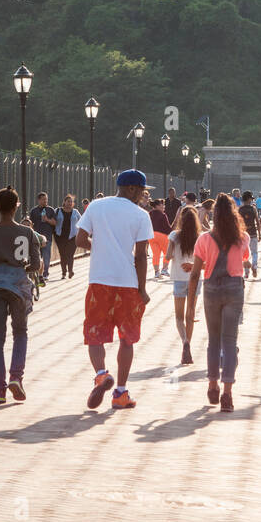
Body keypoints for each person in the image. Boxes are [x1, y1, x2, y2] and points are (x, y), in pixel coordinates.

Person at [75, 169, 152, 411]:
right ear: (131, 189)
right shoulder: (140, 215)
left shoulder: (96, 207)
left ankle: (100, 374)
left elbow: (79, 239)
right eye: (141, 190)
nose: (143, 194)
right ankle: (120, 392)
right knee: (127, 339)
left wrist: (98, 249)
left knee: (94, 333)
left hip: (99, 281)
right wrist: (143, 288)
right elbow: (140, 256)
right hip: (127, 284)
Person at [0, 186, 39, 404]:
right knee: (20, 332)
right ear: (16, 206)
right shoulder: (27, 232)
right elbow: (36, 264)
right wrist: (21, 267)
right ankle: (16, 377)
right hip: (19, 287)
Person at [189, 193, 249, 412]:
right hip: (234, 288)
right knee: (230, 342)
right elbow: (244, 258)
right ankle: (227, 394)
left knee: (213, 340)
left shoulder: (204, 239)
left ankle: (212, 384)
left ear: (214, 214)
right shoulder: (242, 237)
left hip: (212, 288)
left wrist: (190, 301)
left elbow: (195, 272)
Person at [165, 204, 202, 364]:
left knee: (179, 317)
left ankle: (184, 342)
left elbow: (167, 256)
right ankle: (189, 345)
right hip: (195, 278)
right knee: (190, 314)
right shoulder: (201, 236)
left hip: (179, 277)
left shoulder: (174, 235)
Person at [29, 193, 57, 282]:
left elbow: (55, 222)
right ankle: (37, 273)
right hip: (36, 238)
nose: (45, 201)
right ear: (39, 200)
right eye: (43, 199)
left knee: (46, 256)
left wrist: (47, 220)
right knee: (37, 256)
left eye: (46, 199)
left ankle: (45, 274)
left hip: (47, 236)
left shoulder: (50, 210)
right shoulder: (34, 211)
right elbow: (30, 224)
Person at [54, 194, 81, 279]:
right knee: (63, 255)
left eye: (71, 202)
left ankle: (70, 271)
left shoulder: (75, 212)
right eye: (68, 201)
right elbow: (53, 221)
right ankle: (63, 272)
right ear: (64, 202)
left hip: (72, 236)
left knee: (70, 255)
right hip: (60, 236)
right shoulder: (57, 211)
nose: (70, 203)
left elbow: (81, 222)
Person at [237, 191, 261, 279]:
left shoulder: (240, 209)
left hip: (242, 234)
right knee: (254, 252)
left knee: (244, 254)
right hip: (253, 233)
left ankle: (246, 273)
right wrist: (259, 234)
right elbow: (257, 222)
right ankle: (254, 265)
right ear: (249, 199)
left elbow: (237, 222)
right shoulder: (253, 209)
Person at [148, 198, 172, 278]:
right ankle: (164, 270)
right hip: (162, 236)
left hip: (151, 236)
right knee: (167, 253)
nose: (164, 206)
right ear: (157, 206)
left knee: (156, 254)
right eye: (162, 204)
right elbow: (168, 228)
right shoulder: (163, 215)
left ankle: (156, 272)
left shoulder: (149, 214)